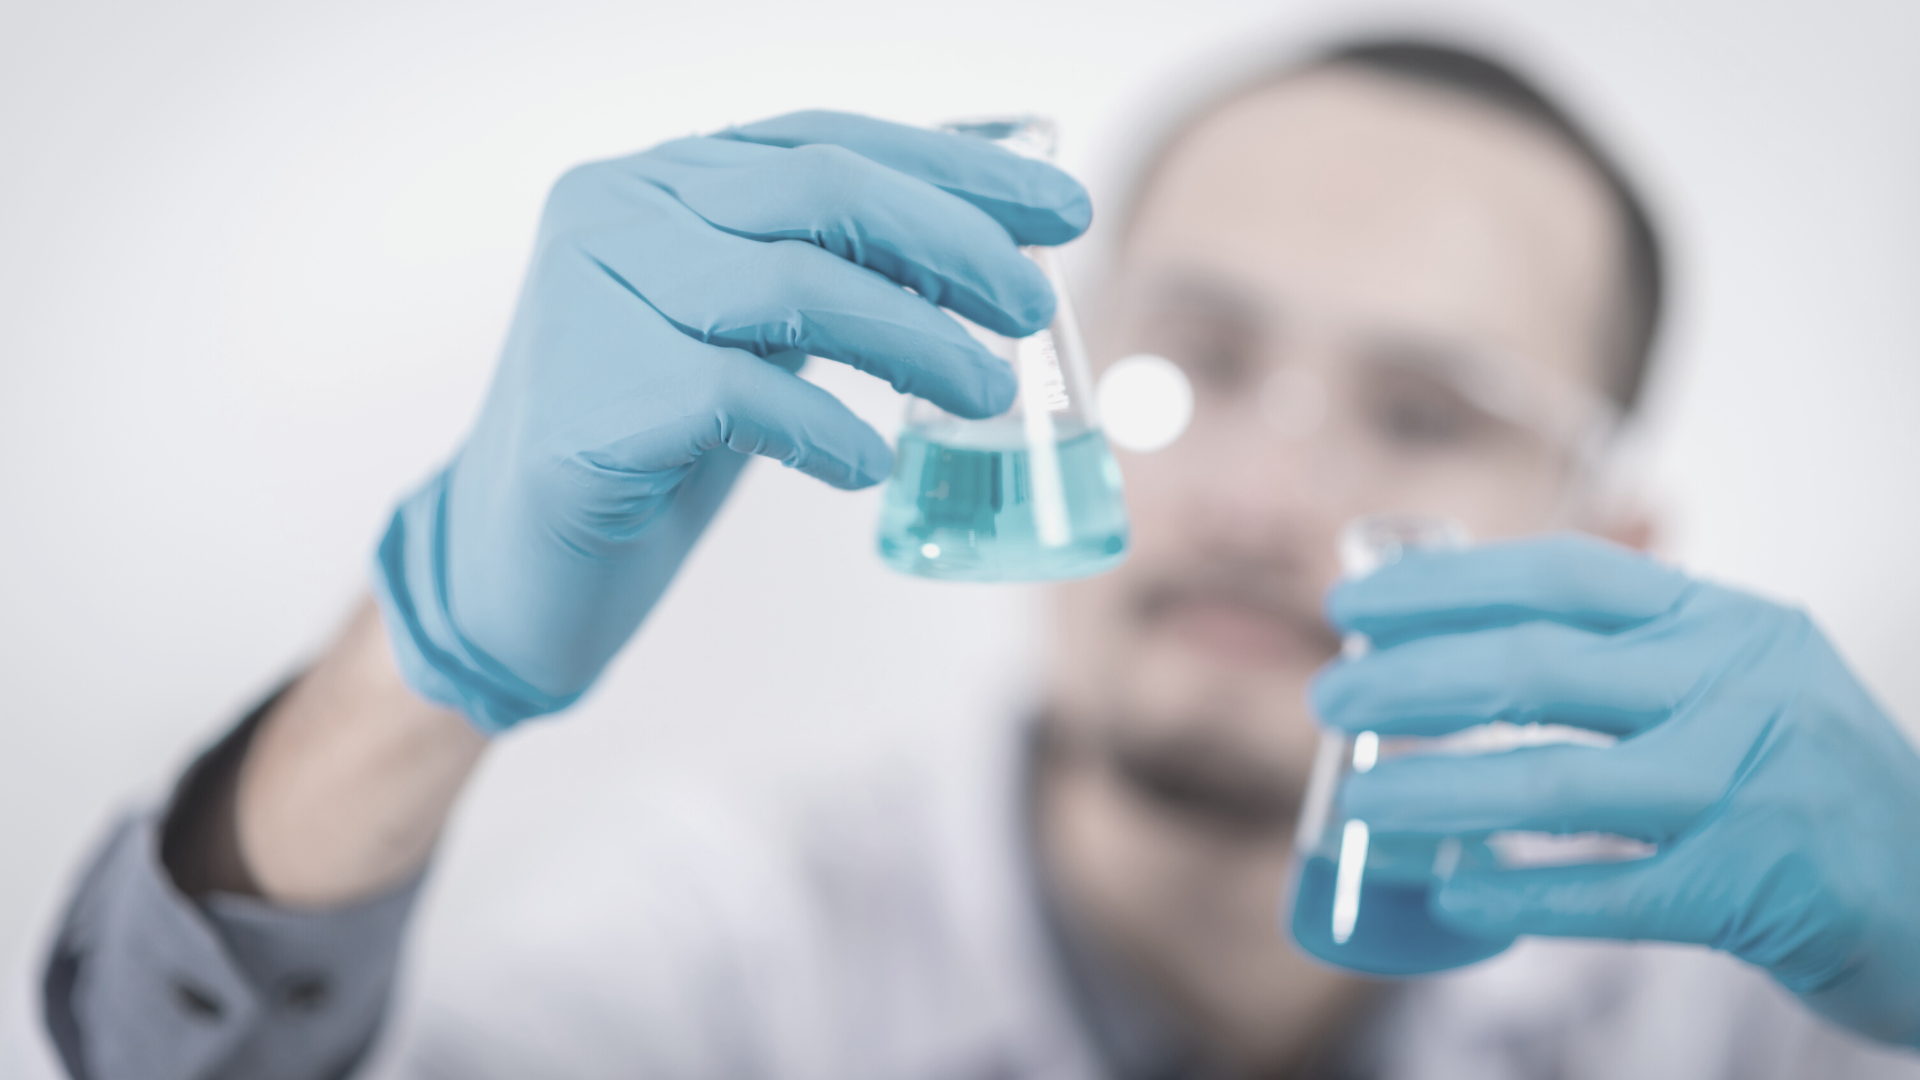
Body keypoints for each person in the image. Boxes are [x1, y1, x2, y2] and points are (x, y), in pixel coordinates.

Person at [40, 35, 1920, 1080]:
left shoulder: (1747, 1021)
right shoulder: (737, 954)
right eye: (1194, 357)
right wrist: (421, 655)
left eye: (1423, 413)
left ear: (1614, 545)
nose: (1259, 500)